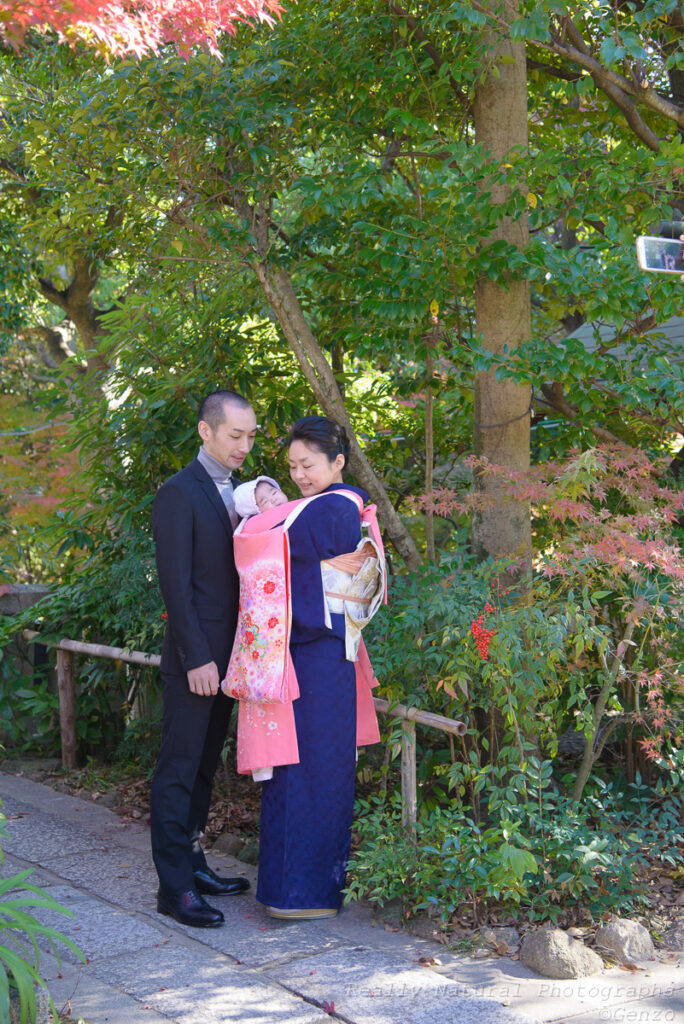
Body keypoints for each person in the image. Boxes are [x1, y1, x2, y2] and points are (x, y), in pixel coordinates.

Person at [254, 416, 380, 919]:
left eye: (308, 464)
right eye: (292, 466)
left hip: (318, 650)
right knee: (297, 768)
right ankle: (293, 891)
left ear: (338, 463)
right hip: (313, 651)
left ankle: (306, 893)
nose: (300, 474)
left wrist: (265, 516)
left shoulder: (333, 508)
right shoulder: (321, 507)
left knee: (311, 769)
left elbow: (268, 551)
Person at [150, 389, 257, 928]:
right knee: (178, 769)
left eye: (251, 435)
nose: (244, 444)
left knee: (204, 769)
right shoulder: (177, 493)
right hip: (196, 660)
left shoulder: (238, 493)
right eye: (235, 434)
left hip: (232, 657)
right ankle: (173, 889)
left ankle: (194, 865)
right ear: (205, 431)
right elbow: (177, 585)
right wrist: (196, 657)